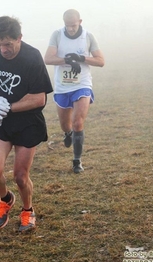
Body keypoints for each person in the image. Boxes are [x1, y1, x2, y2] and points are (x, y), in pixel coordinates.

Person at [0, 16, 53, 232]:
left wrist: (6, 106)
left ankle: (28, 210)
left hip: (28, 123)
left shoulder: (32, 57)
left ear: (19, 37)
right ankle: (6, 199)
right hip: (1, 123)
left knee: (20, 176)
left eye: (8, 44)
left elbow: (39, 99)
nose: (3, 50)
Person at [44, 9, 105, 173]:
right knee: (66, 124)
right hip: (62, 86)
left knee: (78, 122)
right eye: (67, 25)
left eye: (73, 25)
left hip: (82, 84)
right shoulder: (57, 35)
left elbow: (101, 61)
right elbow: (47, 58)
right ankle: (67, 133)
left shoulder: (88, 36)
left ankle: (77, 161)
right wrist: (67, 60)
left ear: (80, 22)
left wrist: (82, 58)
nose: (70, 28)